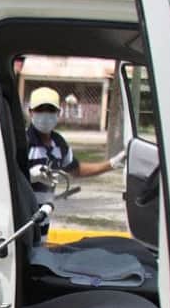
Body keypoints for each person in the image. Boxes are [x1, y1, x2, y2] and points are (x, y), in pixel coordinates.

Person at [26, 87, 124, 238]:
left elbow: (76, 170)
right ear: (30, 112)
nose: (45, 115)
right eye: (40, 110)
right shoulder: (23, 142)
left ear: (58, 113)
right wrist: (31, 175)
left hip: (44, 215)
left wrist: (111, 164)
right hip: (24, 218)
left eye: (50, 110)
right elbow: (8, 175)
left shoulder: (58, 143)